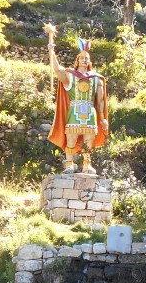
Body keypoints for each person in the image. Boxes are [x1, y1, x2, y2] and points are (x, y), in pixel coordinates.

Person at [46, 23, 109, 173]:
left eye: (87, 58)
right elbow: (57, 70)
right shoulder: (70, 76)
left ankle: (87, 165)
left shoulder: (96, 79)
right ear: (77, 60)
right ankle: (69, 164)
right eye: (82, 58)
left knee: (89, 140)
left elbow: (100, 101)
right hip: (74, 110)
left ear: (89, 61)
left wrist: (102, 117)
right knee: (71, 138)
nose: (84, 60)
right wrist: (52, 52)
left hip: (90, 112)